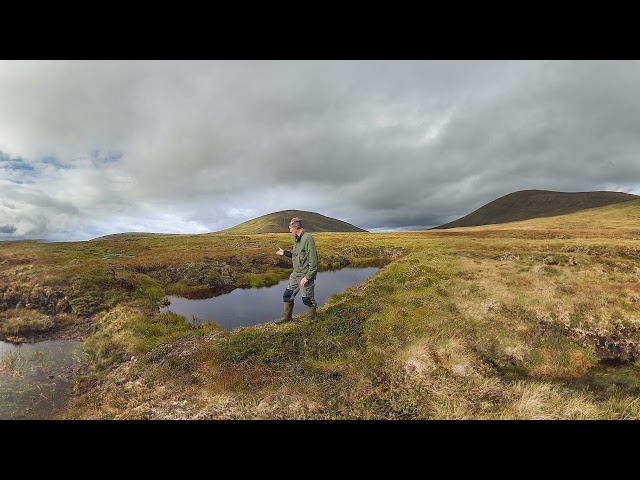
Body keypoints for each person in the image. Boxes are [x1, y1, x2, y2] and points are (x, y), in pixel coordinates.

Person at [274, 217, 318, 324]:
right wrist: (284, 252)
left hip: (304, 275)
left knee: (308, 300)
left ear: (296, 227)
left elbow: (314, 261)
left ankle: (311, 320)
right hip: (295, 274)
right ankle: (287, 318)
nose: (290, 230)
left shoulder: (307, 238)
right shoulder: (297, 237)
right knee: (287, 295)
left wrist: (308, 277)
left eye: (290, 228)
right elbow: (296, 253)